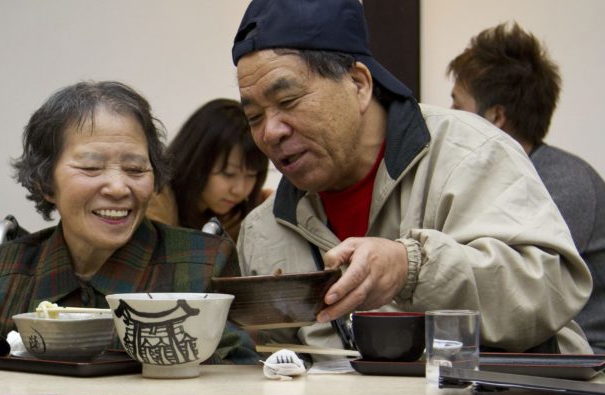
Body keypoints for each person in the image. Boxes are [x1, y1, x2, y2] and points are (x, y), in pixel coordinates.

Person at [231, 0, 593, 356]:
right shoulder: (263, 233)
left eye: (289, 100)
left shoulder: (470, 152)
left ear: (358, 84)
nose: (270, 132)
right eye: (254, 117)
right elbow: (275, 366)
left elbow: (551, 290)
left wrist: (412, 267)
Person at [0, 81, 256, 363]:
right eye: (91, 167)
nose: (118, 187)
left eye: (135, 169)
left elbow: (236, 377)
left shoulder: (200, 265)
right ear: (46, 182)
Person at [446, 23, 605, 353]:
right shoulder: (498, 180)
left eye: (458, 106)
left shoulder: (566, 185)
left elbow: (507, 296)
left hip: (580, 370)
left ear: (496, 116)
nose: (449, 118)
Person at [146, 98, 269, 242]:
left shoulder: (246, 213)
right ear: (197, 160)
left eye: (251, 175)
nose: (239, 190)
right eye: (228, 173)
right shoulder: (154, 195)